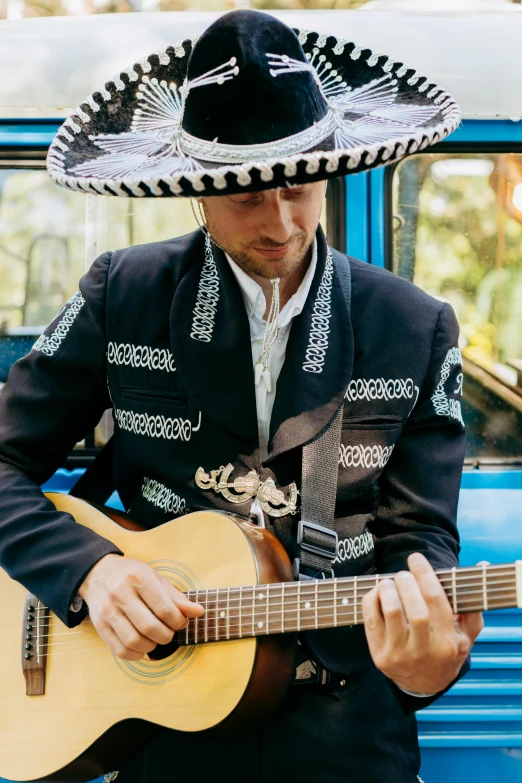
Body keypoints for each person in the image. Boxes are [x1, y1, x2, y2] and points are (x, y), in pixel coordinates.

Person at [0, 10, 483, 783]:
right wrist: (88, 571)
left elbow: (423, 545)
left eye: (300, 185)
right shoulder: (122, 295)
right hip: (165, 728)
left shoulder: (415, 326)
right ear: (196, 189)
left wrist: (429, 665)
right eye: (245, 196)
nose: (282, 220)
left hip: (348, 730)